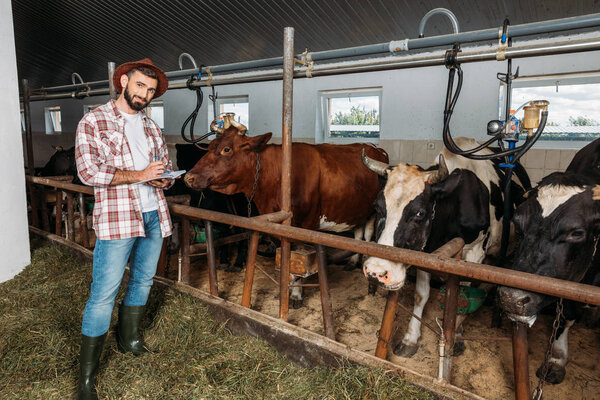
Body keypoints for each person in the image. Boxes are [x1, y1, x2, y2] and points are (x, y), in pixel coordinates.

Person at [74, 58, 174, 400]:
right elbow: (89, 174)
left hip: (153, 214)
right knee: (103, 294)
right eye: (139, 86)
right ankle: (86, 378)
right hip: (118, 219)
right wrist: (141, 174)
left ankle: (129, 339)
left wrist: (163, 179)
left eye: (150, 90)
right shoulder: (94, 122)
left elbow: (161, 168)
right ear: (124, 83)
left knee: (143, 279)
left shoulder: (152, 128)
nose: (144, 94)